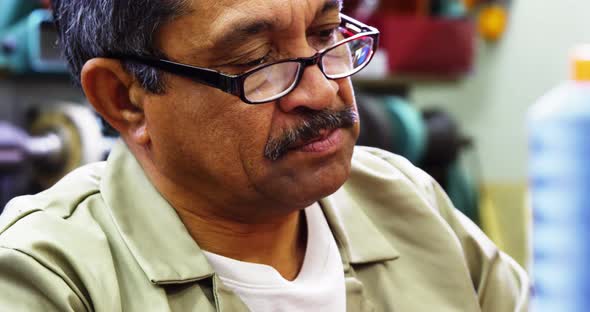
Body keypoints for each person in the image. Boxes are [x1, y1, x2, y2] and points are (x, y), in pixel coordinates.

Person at [0, 0, 529, 311]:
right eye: (256, 60)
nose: (322, 91)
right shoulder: (45, 277)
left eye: (326, 33)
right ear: (124, 99)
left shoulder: (406, 201)